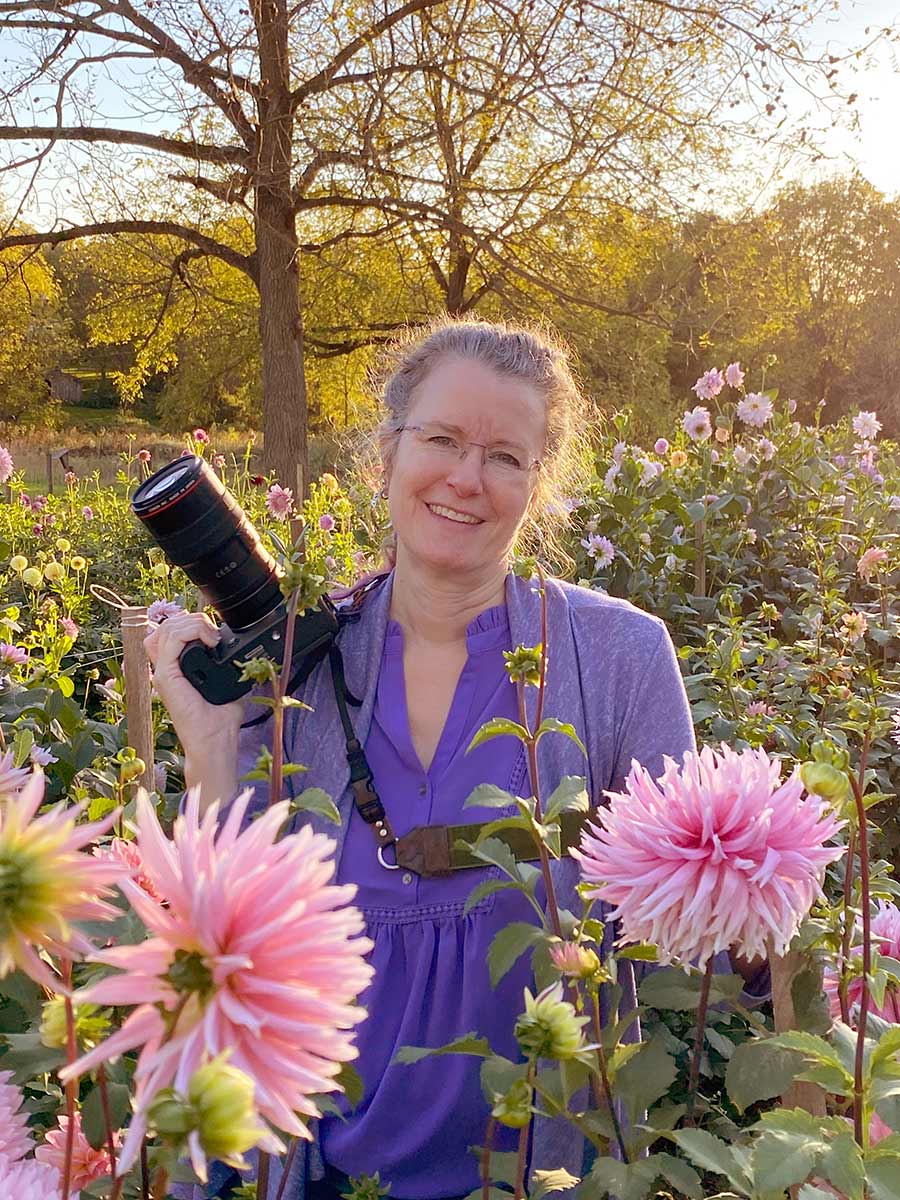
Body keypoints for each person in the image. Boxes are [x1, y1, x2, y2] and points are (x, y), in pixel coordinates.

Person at [145, 319, 745, 1200]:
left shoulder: (620, 662)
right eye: (441, 440)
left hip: (549, 1168)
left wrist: (763, 918)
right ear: (387, 453)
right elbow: (223, 941)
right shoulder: (297, 661)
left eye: (505, 455)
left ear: (539, 484)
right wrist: (206, 745)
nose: (467, 478)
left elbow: (684, 955)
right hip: (322, 1168)